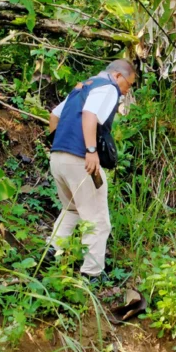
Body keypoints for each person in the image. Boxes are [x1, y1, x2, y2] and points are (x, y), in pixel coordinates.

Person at [47, 59, 136, 280]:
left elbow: (53, 115)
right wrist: (90, 150)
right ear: (118, 76)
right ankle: (92, 274)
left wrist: (60, 145)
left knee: (72, 209)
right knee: (98, 219)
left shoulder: (83, 86)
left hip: (58, 157)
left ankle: (50, 253)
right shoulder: (108, 87)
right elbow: (90, 115)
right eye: (129, 84)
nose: (126, 91)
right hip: (81, 160)